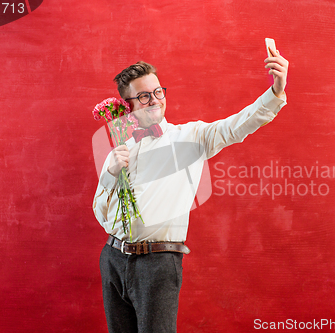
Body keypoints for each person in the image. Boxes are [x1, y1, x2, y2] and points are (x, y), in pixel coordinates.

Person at [93, 47, 289, 333]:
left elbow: (237, 125)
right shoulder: (120, 147)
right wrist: (111, 174)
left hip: (157, 263)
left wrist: (276, 90)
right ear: (127, 106)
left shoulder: (191, 137)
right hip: (112, 258)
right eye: (144, 95)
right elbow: (100, 212)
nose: (154, 100)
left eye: (158, 91)